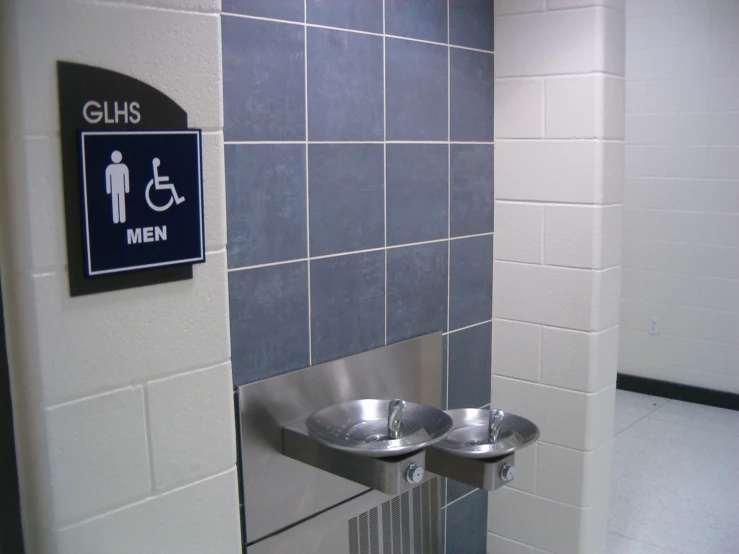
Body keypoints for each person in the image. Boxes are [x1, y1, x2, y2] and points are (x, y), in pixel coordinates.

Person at [105, 150, 129, 224]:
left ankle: (122, 218)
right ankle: (116, 219)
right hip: (114, 189)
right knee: (115, 202)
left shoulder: (124, 167)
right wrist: (108, 189)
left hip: (121, 188)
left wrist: (127, 188)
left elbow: (126, 178)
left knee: (121, 202)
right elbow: (108, 179)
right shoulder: (109, 168)